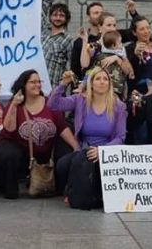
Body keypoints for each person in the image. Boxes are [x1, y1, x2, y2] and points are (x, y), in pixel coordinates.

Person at [0, 69, 80, 199]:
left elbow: (62, 127)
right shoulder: (15, 104)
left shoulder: (49, 102)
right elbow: (9, 129)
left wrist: (75, 146)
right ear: (24, 85)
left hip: (47, 151)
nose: (37, 85)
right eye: (33, 82)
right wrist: (14, 105)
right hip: (21, 151)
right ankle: (10, 189)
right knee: (8, 152)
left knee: (65, 149)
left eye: (39, 82)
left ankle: (60, 187)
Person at [49, 68, 126, 208]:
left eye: (105, 79)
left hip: (107, 152)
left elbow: (120, 137)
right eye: (98, 79)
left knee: (89, 164)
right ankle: (73, 190)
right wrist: (63, 84)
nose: (102, 82)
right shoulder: (80, 100)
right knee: (62, 165)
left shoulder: (118, 106)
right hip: (83, 149)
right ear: (91, 83)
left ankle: (87, 194)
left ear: (109, 84)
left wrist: (102, 151)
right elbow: (53, 105)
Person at [81, 29, 132, 99]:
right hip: (103, 89)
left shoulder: (121, 55)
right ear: (114, 45)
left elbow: (127, 71)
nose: (122, 45)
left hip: (116, 90)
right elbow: (91, 70)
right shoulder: (99, 53)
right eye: (120, 43)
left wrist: (118, 59)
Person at [125, 15, 152, 94]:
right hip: (140, 92)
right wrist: (136, 56)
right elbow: (129, 73)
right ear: (134, 32)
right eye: (142, 29)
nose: (146, 31)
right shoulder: (129, 49)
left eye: (148, 28)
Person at [41, 1, 73, 87]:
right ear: (50, 17)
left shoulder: (68, 39)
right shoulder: (43, 33)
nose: (58, 18)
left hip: (53, 86)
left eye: (61, 16)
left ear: (66, 19)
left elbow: (70, 66)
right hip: (37, 84)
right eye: (55, 15)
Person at [69, 1, 104, 76]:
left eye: (102, 13)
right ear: (88, 17)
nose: (100, 15)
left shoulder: (111, 36)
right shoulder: (80, 41)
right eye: (96, 13)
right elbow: (75, 69)